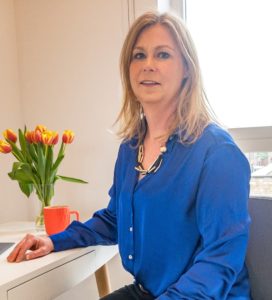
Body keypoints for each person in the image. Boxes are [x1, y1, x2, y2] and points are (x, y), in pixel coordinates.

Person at [7, 11, 251, 299]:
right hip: (148, 292)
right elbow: (114, 219)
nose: (148, 65)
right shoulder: (131, 147)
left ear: (187, 68)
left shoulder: (217, 152)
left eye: (162, 55)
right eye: (138, 55)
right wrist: (53, 241)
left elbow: (220, 259)